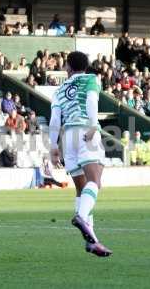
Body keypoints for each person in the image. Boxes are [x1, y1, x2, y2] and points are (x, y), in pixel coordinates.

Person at [49, 51, 112, 257]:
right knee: (95, 181)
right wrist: (94, 125)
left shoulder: (59, 90)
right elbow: (92, 101)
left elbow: (54, 120)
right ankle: (82, 217)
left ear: (68, 67)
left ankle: (92, 241)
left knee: (81, 188)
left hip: (67, 137)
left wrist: (53, 147)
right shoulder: (90, 79)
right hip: (85, 130)